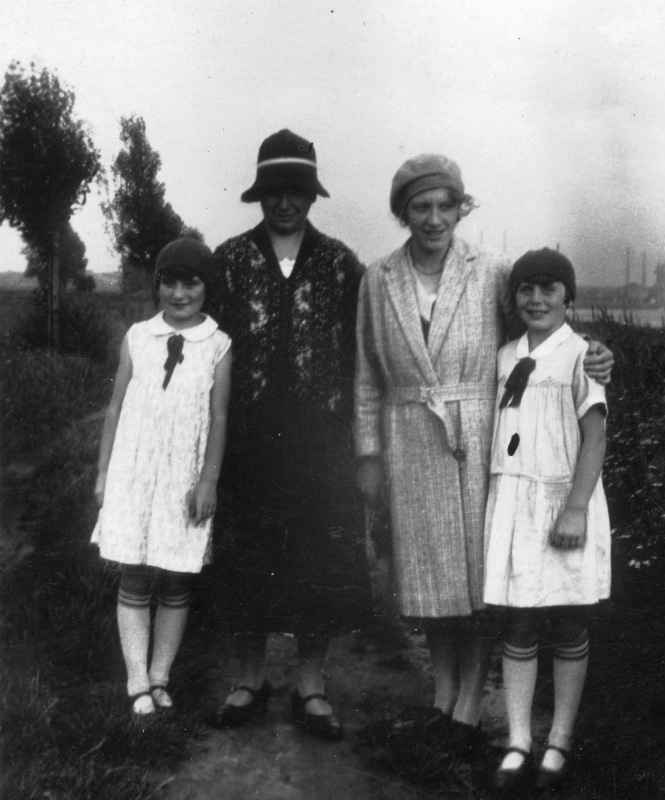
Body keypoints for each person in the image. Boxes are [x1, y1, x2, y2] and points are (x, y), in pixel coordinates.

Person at [354, 155, 614, 753]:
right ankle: (441, 692)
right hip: (408, 435)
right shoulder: (379, 279)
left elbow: (538, 339)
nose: (435, 219)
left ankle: (470, 701)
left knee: (476, 579)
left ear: (461, 207)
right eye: (421, 207)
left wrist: (597, 355)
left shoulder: (492, 269)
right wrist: (368, 451)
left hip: (479, 439)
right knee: (428, 580)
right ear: (404, 213)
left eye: (447, 205)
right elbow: (367, 373)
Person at [207, 129, 369, 740]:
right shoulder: (228, 260)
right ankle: (248, 679)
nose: (284, 203)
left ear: (311, 195)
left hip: (317, 441)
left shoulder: (338, 264)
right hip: (246, 439)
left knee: (316, 560)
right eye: (274, 190)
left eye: (296, 190)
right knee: (247, 557)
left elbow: (365, 352)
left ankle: (311, 686)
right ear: (259, 195)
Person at [484, 248, 610, 793]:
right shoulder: (505, 355)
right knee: (519, 619)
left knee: (568, 620)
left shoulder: (583, 356)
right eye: (526, 290)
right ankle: (518, 738)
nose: (536, 299)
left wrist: (576, 507)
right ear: (515, 300)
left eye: (549, 289)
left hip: (563, 502)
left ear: (568, 298)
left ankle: (559, 736)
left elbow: (595, 435)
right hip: (515, 500)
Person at [92, 238, 232, 719]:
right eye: (169, 282)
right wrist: (103, 473)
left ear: (205, 288)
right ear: (158, 286)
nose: (179, 294)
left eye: (190, 283)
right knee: (134, 570)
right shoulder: (137, 337)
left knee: (176, 575)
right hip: (134, 471)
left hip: (183, 477)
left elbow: (218, 417)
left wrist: (208, 481)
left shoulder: (217, 344)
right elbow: (114, 408)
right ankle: (135, 679)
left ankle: (160, 675)